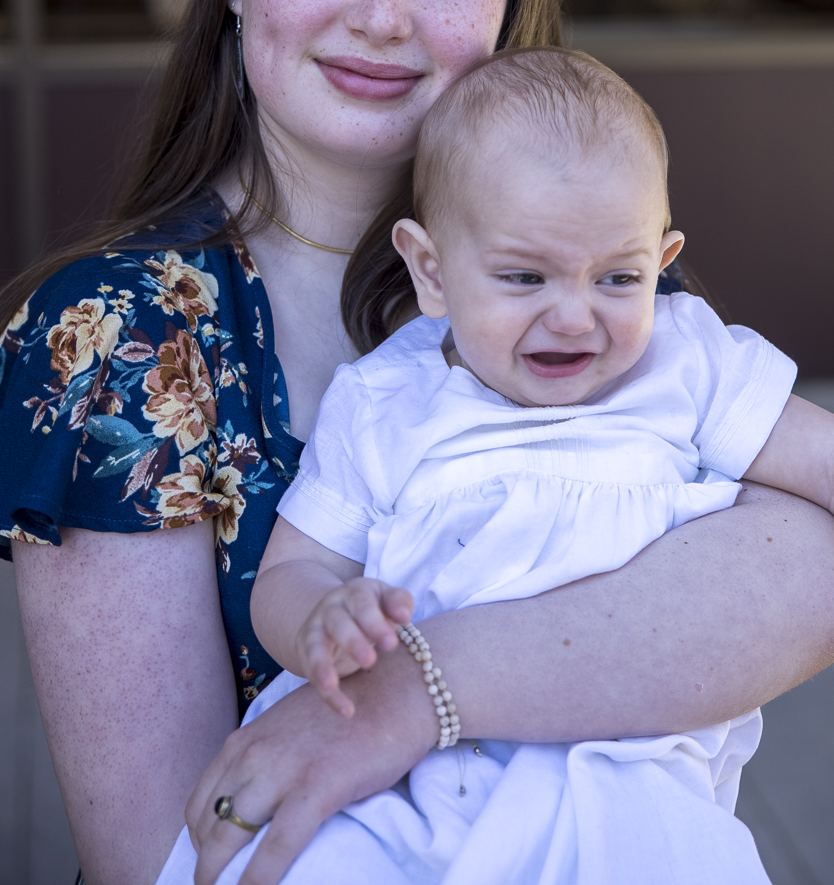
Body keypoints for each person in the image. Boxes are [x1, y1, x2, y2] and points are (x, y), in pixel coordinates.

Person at [0, 0, 832, 885]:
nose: (384, 15)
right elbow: (182, 845)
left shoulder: (582, 286)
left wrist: (409, 699)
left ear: (506, 1)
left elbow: (806, 570)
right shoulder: (118, 339)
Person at [158, 47, 834, 885]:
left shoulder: (686, 363)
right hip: (395, 781)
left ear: (663, 261)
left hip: (626, 769)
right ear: (431, 268)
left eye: (619, 277)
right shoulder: (383, 403)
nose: (574, 316)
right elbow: (294, 569)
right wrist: (321, 619)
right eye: (524, 276)